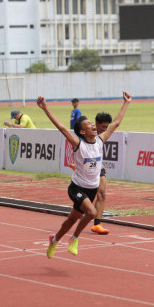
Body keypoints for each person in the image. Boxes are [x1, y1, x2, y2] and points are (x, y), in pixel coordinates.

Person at [39, 92, 132, 258]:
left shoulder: (100, 141)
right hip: (77, 188)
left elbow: (116, 123)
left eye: (92, 123)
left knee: (71, 220)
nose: (93, 125)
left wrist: (126, 103)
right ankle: (74, 239)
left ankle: (54, 240)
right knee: (91, 213)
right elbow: (61, 127)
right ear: (82, 132)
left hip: (91, 189)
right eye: (89, 125)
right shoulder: (78, 144)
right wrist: (45, 107)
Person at [91, 112, 113, 235]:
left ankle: (97, 224)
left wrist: (101, 163)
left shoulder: (101, 137)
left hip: (98, 167)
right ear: (97, 124)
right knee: (86, 200)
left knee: (102, 193)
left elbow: (97, 151)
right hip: (86, 169)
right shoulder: (88, 133)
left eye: (106, 127)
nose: (104, 130)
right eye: (103, 127)